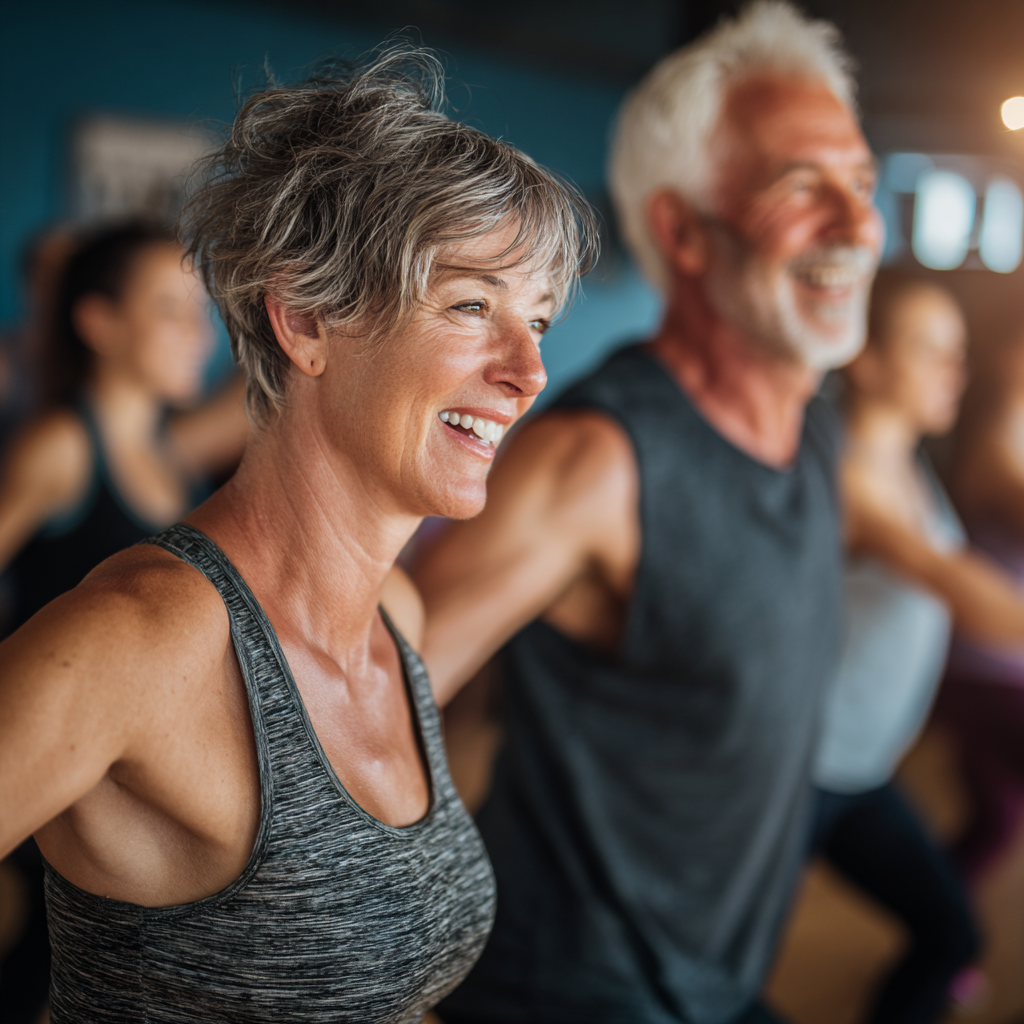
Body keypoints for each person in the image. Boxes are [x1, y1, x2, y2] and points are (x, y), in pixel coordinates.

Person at [0, 49, 596, 1022]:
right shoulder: (140, 641)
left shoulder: (396, 620)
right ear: (308, 319)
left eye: (535, 319)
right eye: (473, 306)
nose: (529, 371)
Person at [415, 5, 882, 1023]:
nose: (855, 226)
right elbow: (356, 706)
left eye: (860, 183)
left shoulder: (813, 428)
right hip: (572, 990)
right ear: (680, 229)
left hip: (714, 981)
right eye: (803, 188)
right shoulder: (595, 461)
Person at [0, 219, 248, 1024]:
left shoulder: (169, 456)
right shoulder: (61, 446)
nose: (196, 332)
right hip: (44, 781)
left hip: (117, 791)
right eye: (171, 309)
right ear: (100, 322)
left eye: (199, 310)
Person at [808, 273, 1024, 1023]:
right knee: (715, 968)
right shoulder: (844, 472)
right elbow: (955, 585)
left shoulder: (906, 461)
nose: (954, 372)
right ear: (864, 357)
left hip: (861, 773)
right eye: (931, 351)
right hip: (795, 778)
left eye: (958, 352)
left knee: (949, 933)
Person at [937, 336, 1024, 880]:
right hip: (984, 669)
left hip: (1005, 665)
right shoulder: (992, 444)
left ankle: (947, 934)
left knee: (996, 820)